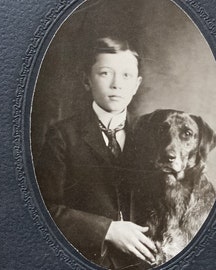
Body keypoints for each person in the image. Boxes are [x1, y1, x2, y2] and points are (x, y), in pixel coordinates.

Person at [36, 37, 157, 269]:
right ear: (86, 80)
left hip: (144, 261)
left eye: (126, 76)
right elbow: (44, 209)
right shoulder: (63, 135)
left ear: (137, 84)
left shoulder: (150, 135)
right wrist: (108, 230)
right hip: (85, 259)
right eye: (104, 73)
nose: (116, 84)